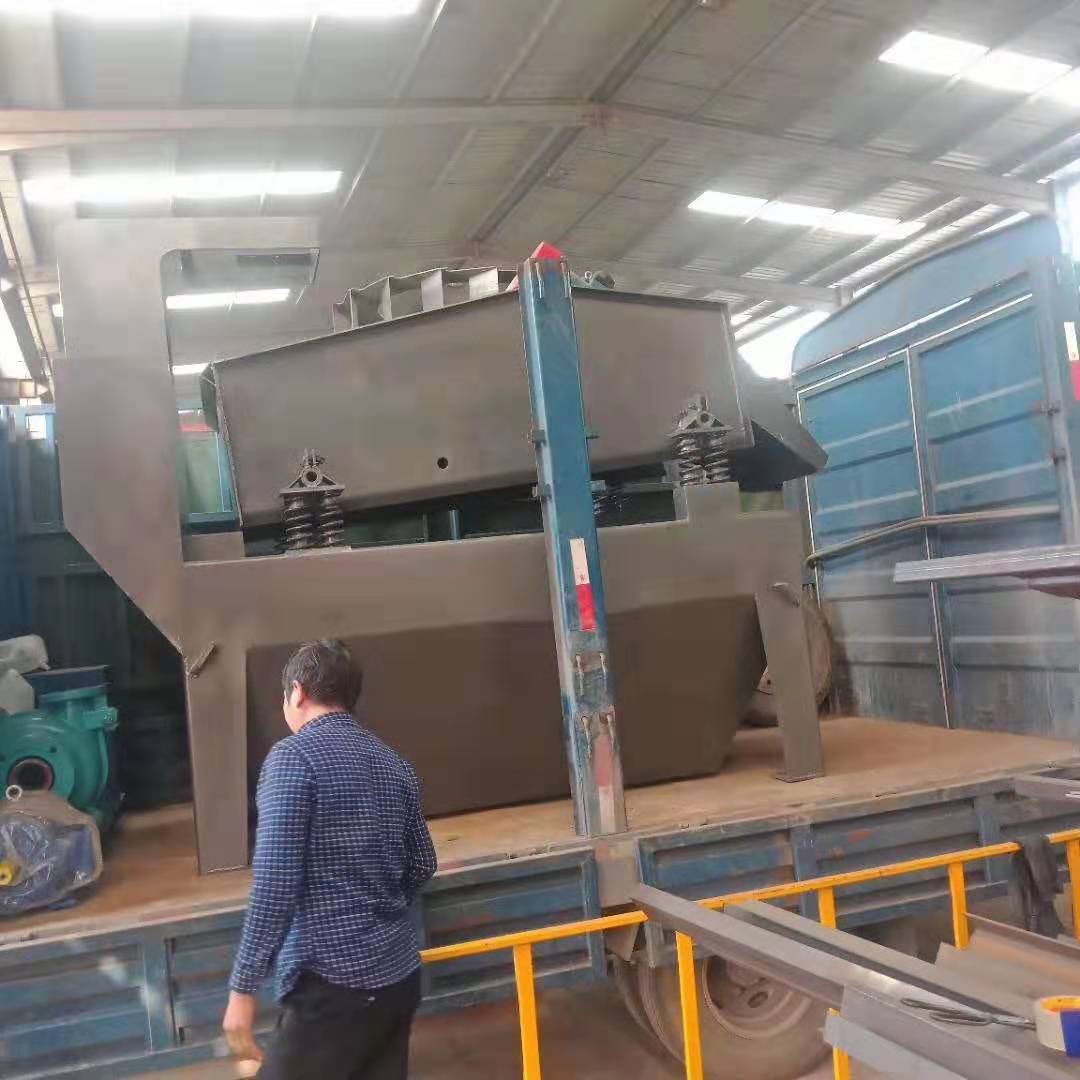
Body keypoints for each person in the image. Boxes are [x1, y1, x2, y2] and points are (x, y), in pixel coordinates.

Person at [222, 638, 437, 1079]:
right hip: (398, 978)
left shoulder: (293, 759)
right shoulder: (393, 763)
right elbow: (422, 863)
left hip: (333, 985)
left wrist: (242, 989)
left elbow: (275, 883)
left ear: (297, 692)